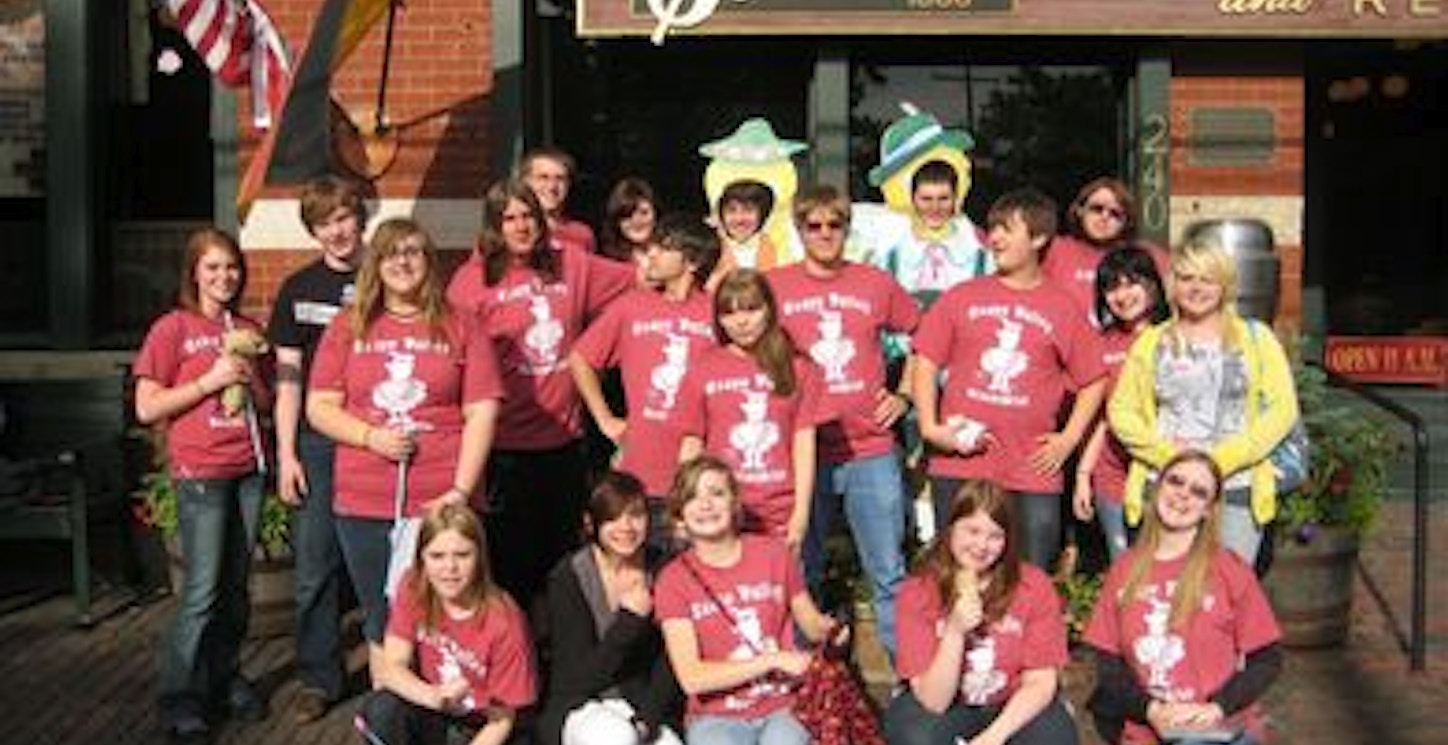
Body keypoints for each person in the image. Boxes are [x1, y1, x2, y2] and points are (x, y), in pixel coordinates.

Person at [307, 218, 504, 682]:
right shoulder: (348, 326)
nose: (402, 262)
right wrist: (369, 437)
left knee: (448, 612)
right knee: (382, 616)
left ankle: (448, 714)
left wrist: (460, 490)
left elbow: (482, 411)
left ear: (429, 262)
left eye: (413, 251)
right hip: (366, 499)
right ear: (376, 263)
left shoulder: (461, 324)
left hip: (440, 501)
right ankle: (391, 715)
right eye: (391, 253)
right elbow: (319, 407)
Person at [446, 179, 635, 604]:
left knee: (563, 563)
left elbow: (639, 281)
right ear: (494, 225)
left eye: (528, 215)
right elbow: (453, 362)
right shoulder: (472, 281)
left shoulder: (571, 264)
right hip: (503, 448)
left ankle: (559, 658)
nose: (521, 226)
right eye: (509, 218)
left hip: (563, 441)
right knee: (511, 566)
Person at [912, 188, 1107, 570]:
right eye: (992, 229)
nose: (995, 238)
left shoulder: (1061, 307)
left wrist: (1069, 439)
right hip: (961, 464)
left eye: (1006, 230)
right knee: (955, 577)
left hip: (1030, 471)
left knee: (1031, 579)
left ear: (1037, 238)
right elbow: (926, 359)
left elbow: (1094, 378)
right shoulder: (962, 297)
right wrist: (930, 427)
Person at [134, 227, 273, 743]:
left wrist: (250, 377)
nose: (224, 276)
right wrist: (206, 383)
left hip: (248, 469)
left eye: (231, 267)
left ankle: (223, 677)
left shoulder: (248, 326)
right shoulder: (173, 329)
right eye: (212, 267)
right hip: (201, 474)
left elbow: (261, 403)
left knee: (237, 589)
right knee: (201, 590)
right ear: (194, 272)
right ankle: (179, 697)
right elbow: (147, 406)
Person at [769, 185, 919, 659]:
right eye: (814, 225)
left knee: (888, 572)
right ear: (799, 230)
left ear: (847, 229)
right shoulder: (774, 286)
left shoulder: (874, 282)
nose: (825, 233)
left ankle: (908, 684)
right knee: (800, 570)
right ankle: (802, 679)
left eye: (835, 224)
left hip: (869, 449)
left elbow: (924, 334)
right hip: (802, 453)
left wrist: (906, 393)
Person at [1107, 233, 1300, 566]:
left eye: (1207, 279)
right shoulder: (1152, 343)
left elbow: (1282, 409)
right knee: (1161, 592)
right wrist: (1168, 455)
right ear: (1173, 284)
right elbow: (1122, 411)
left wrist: (1222, 460)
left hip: (1235, 486)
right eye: (1186, 278)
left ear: (1224, 285)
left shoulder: (1256, 339)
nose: (1196, 288)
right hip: (1167, 483)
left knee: (1226, 596)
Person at [1083, 451, 1283, 745]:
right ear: (1158, 488)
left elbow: (1267, 659)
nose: (1183, 495)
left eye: (1198, 492)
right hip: (1149, 728)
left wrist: (1215, 708)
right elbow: (1108, 666)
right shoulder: (1125, 570)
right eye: (1176, 482)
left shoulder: (1228, 569)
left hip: (1217, 727)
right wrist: (1150, 710)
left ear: (1208, 510)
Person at [267, 175, 369, 722]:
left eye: (345, 216)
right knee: (314, 567)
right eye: (326, 222)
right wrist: (286, 454)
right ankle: (318, 677)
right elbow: (287, 378)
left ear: (361, 217)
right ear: (313, 230)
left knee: (390, 563)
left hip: (380, 439)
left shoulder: (390, 275)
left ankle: (392, 669)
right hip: (319, 443)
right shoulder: (297, 290)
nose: (338, 230)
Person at [653, 455, 845, 745]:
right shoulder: (673, 580)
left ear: (735, 503)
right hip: (716, 714)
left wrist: (832, 630)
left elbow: (811, 624)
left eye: (717, 493)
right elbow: (692, 676)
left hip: (783, 704)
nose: (706, 504)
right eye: (693, 497)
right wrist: (771, 661)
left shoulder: (773, 555)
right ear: (680, 515)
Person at [885, 480, 1078, 745]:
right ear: (951, 529)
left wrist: (993, 737)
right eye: (972, 531)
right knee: (915, 736)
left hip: (1011, 700)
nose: (982, 546)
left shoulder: (1034, 586)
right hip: (949, 702)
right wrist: (954, 631)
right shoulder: (917, 592)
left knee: (1056, 738)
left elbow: (1041, 681)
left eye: (995, 536)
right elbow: (933, 701)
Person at [569, 215, 719, 551]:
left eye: (664, 248)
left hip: (699, 479)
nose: (651, 255)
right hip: (640, 474)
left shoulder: (716, 313)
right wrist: (606, 420)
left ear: (692, 261)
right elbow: (581, 359)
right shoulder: (631, 307)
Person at [359, 503, 538, 745]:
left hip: (485, 726)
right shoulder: (413, 587)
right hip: (434, 709)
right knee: (382, 709)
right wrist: (432, 696)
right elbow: (391, 666)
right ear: (421, 558)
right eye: (437, 556)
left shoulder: (505, 621)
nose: (450, 568)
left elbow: (502, 719)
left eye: (462, 555)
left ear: (480, 557)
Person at [676, 269, 823, 546]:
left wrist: (801, 513)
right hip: (720, 510)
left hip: (779, 508)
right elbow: (692, 442)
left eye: (752, 309)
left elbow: (803, 440)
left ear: (769, 309)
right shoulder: (703, 367)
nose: (741, 322)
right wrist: (683, 505)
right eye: (729, 313)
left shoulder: (799, 367)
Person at [536, 471, 684, 745]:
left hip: (644, 704)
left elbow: (673, 661)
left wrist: (647, 720)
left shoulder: (665, 570)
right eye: (613, 518)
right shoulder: (570, 576)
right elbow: (576, 678)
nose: (626, 527)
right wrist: (628, 622)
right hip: (582, 705)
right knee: (615, 737)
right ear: (591, 523)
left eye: (635, 515)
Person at [1071, 247, 1171, 561]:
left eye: (1132, 283)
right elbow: (1101, 416)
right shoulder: (1101, 344)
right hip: (1112, 472)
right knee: (1123, 564)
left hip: (1166, 467)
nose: (1122, 295)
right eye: (1112, 287)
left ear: (1154, 284)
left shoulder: (1175, 336)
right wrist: (1083, 475)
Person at [1044, 177, 1170, 324]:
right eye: (1097, 209)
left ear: (1126, 221)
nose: (1105, 217)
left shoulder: (1146, 255)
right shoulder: (1054, 249)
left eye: (1115, 214)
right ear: (1080, 210)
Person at [519, 146, 597, 254]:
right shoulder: (514, 231)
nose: (552, 187)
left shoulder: (582, 235)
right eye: (543, 178)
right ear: (526, 182)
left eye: (560, 178)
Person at [706, 179, 778, 289]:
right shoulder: (707, 247)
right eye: (731, 210)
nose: (739, 219)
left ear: (763, 215)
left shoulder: (778, 245)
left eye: (748, 210)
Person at [599, 177, 661, 275]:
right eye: (627, 215)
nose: (637, 221)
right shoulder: (610, 265)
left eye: (644, 213)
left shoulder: (674, 255)